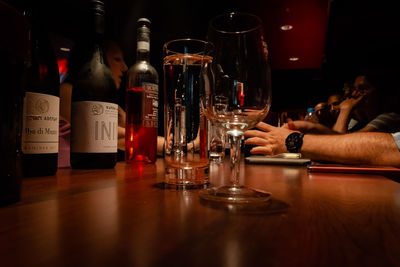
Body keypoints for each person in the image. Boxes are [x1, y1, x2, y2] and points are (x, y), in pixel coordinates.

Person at [58, 40, 128, 166]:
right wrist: (159, 143)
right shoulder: (67, 91)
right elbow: (91, 134)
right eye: (117, 59)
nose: (125, 68)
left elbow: (129, 133)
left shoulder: (113, 106)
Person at [244, 121, 400, 167]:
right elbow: (349, 140)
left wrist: (294, 140)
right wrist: (315, 128)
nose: (352, 94)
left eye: (363, 88)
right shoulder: (359, 120)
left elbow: (390, 148)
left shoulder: (389, 116)